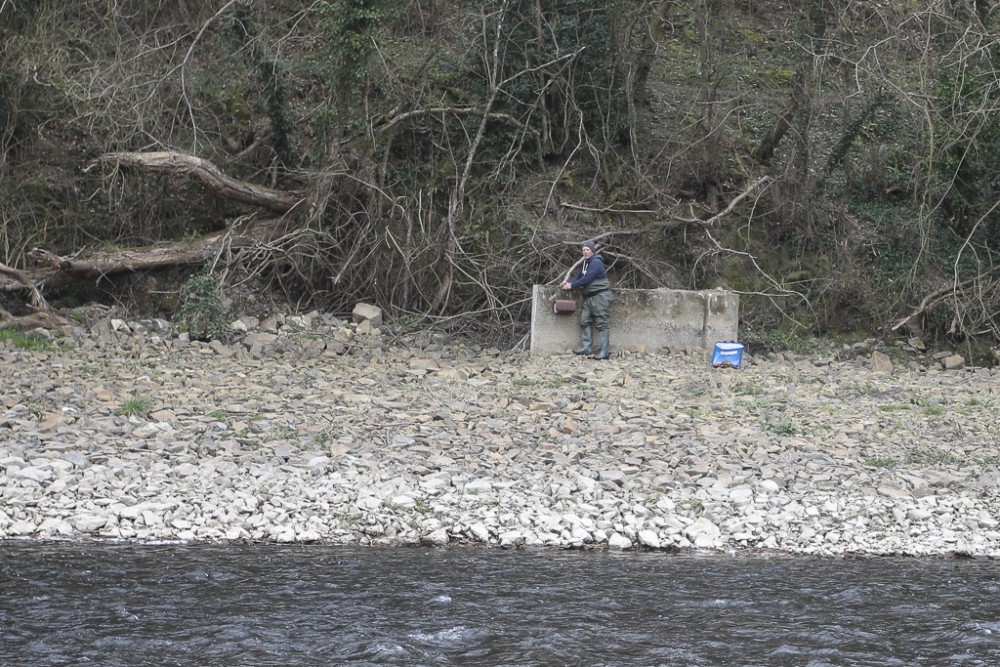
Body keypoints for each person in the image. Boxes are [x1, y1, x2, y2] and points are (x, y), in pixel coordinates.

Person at [561, 240, 614, 360]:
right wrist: (569, 283)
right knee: (584, 320)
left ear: (592, 251)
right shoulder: (585, 263)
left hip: (600, 296)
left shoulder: (596, 263)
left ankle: (604, 351)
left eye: (587, 250)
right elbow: (580, 277)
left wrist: (572, 286)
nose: (585, 252)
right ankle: (587, 347)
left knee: (602, 324)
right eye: (583, 250)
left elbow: (587, 279)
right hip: (589, 297)